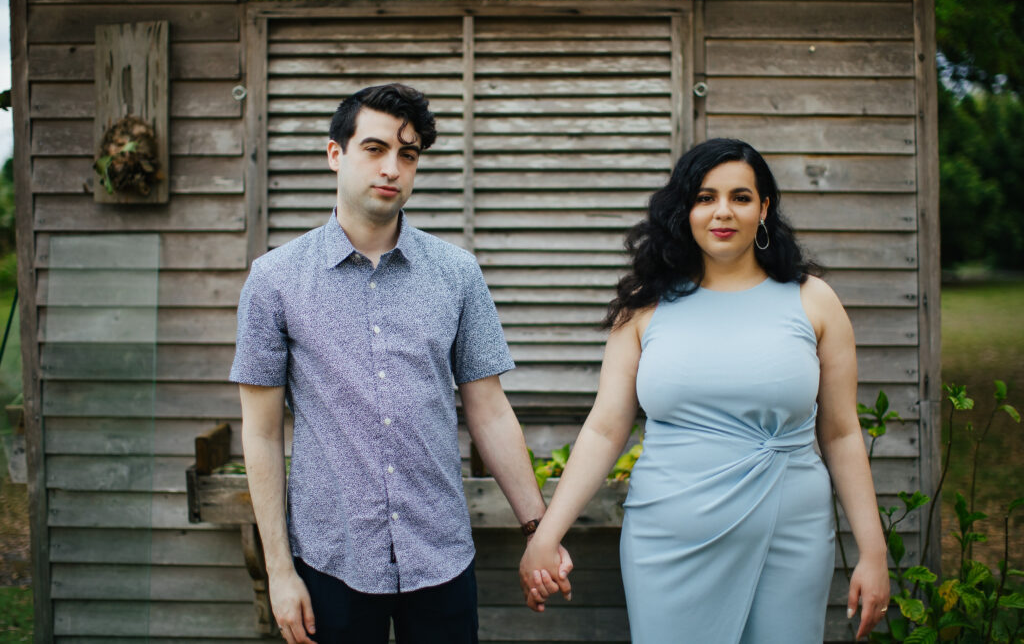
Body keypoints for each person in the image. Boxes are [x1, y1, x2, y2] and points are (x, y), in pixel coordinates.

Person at [230, 83, 571, 644]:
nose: (392, 167)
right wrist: (280, 569)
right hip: (329, 560)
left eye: (407, 155)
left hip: (440, 555)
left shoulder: (458, 274)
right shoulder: (274, 280)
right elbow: (262, 434)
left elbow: (489, 412)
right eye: (375, 148)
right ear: (335, 154)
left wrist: (539, 528)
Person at [518, 138, 890, 642]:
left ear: (764, 209)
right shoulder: (644, 309)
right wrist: (547, 534)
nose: (723, 212)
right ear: (684, 210)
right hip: (670, 537)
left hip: (791, 530)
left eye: (740, 197)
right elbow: (605, 428)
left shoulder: (815, 301)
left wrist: (873, 553)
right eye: (704, 197)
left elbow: (843, 434)